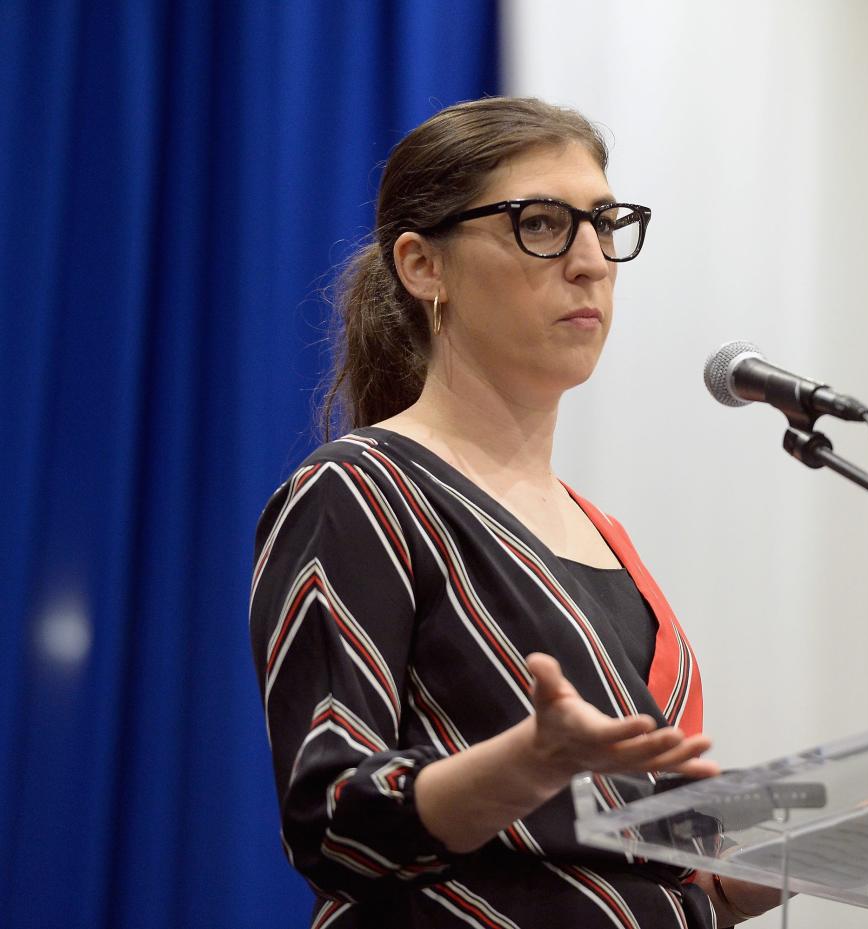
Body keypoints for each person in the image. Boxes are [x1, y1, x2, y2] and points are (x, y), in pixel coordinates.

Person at [249, 97, 779, 929]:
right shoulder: (362, 491)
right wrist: (526, 763)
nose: (592, 262)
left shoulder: (607, 535)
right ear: (424, 266)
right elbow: (333, 815)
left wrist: (845, 837)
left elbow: (657, 873)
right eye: (541, 224)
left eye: (606, 225)